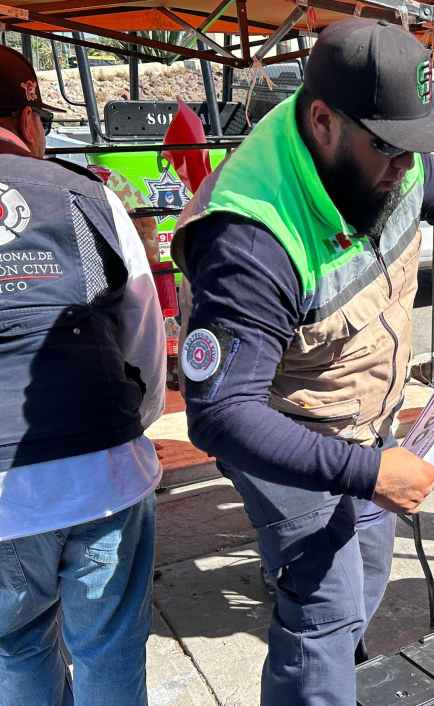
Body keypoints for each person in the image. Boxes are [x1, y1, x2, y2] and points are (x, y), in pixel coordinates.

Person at [171, 19, 434, 706]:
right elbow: (220, 416)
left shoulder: (381, 149)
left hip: (368, 421)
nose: (403, 168)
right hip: (287, 428)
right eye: (390, 150)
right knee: (322, 609)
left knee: (364, 575)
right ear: (323, 121)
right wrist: (368, 472)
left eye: (410, 147)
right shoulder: (249, 239)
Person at [0, 46, 166, 705]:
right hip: (101, 473)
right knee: (111, 656)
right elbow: (143, 328)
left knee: (16, 651)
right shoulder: (83, 196)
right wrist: (135, 423)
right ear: (29, 118)